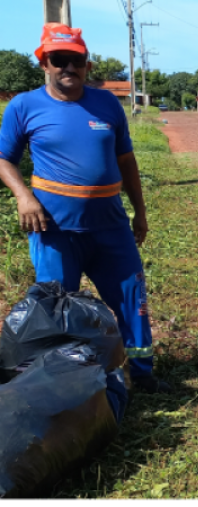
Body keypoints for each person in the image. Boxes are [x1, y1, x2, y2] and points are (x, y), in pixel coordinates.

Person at [0, 23, 170, 394]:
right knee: (56, 311)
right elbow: (3, 160)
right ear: (44, 63)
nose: (68, 68)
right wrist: (23, 196)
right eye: (58, 60)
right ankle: (63, 385)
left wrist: (139, 212)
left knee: (132, 298)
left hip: (110, 227)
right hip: (55, 232)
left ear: (87, 66)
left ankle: (141, 374)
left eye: (75, 61)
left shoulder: (107, 103)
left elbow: (126, 161)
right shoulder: (24, 106)